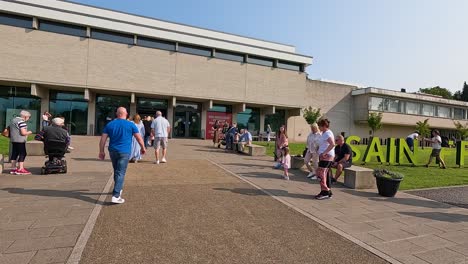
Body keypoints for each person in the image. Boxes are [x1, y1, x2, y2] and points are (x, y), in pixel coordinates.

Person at [99, 107, 146, 204]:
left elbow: (103, 139)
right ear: (126, 114)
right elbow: (139, 137)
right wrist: (143, 147)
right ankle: (116, 196)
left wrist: (101, 151)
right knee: (121, 172)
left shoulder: (110, 124)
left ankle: (118, 188)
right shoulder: (131, 125)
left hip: (113, 151)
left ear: (117, 114)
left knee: (117, 171)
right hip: (124, 151)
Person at [315, 118, 335, 200]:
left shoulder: (327, 133)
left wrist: (324, 153)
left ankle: (326, 191)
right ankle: (325, 191)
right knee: (324, 175)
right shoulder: (324, 133)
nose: (319, 128)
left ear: (324, 126)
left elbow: (332, 144)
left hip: (326, 157)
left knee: (321, 174)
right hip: (324, 157)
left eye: (319, 126)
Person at [8, 110, 33, 175]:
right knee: (23, 153)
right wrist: (29, 132)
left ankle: (13, 168)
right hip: (20, 140)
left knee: (14, 153)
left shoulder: (13, 120)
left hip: (13, 139)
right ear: (25, 116)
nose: (28, 118)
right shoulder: (22, 122)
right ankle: (20, 169)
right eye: (28, 117)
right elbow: (23, 133)